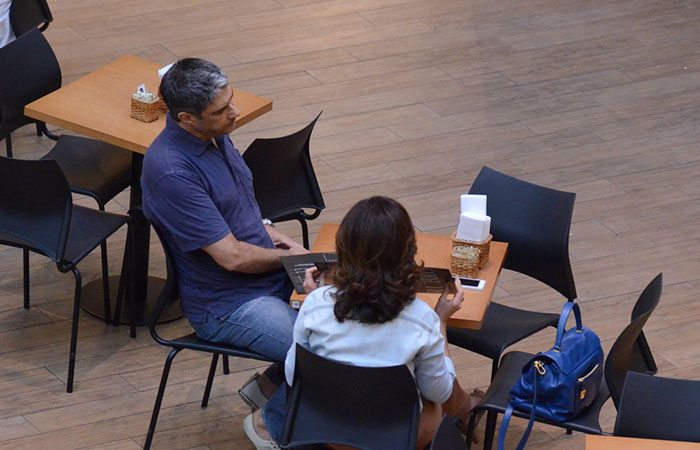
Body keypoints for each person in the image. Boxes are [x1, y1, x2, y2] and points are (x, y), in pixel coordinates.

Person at [244, 196, 484, 450]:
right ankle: (468, 411)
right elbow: (439, 392)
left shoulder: (315, 303)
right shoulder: (422, 318)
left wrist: (313, 300)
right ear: (409, 253)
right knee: (432, 402)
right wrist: (440, 323)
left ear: (343, 249)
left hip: (328, 434)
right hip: (397, 440)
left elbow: (294, 375)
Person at [141, 58, 308, 409]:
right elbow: (231, 257)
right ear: (186, 118)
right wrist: (293, 259)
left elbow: (236, 204)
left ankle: (268, 388)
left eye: (231, 100)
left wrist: (272, 233)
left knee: (361, 322)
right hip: (229, 305)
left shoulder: (215, 132)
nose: (235, 112)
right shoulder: (172, 171)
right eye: (222, 109)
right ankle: (269, 424)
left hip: (266, 273)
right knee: (329, 352)